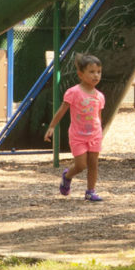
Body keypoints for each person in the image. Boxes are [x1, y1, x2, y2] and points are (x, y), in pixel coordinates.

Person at [46, 53, 107, 202]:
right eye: (91, 72)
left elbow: (98, 116)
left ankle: (90, 191)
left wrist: (100, 133)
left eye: (98, 72)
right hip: (78, 136)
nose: (96, 75)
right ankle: (67, 176)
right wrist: (52, 127)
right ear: (80, 74)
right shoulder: (73, 92)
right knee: (80, 165)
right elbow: (61, 110)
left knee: (93, 164)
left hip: (95, 136)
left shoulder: (99, 96)